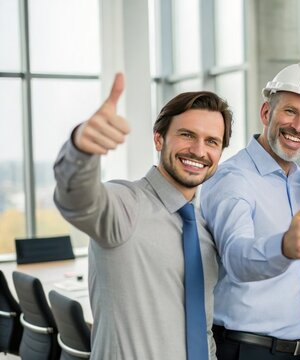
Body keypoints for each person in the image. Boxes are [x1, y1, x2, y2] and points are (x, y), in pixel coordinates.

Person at [53, 73, 233, 359]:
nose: (199, 151)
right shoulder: (125, 206)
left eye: (212, 141)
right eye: (187, 135)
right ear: (159, 139)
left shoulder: (204, 231)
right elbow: (78, 199)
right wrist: (81, 150)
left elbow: (202, 328)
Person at [200, 62, 300, 360]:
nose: (299, 127)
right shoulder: (233, 179)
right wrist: (283, 247)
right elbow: (236, 257)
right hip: (247, 349)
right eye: (290, 111)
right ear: (266, 113)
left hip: (297, 352)